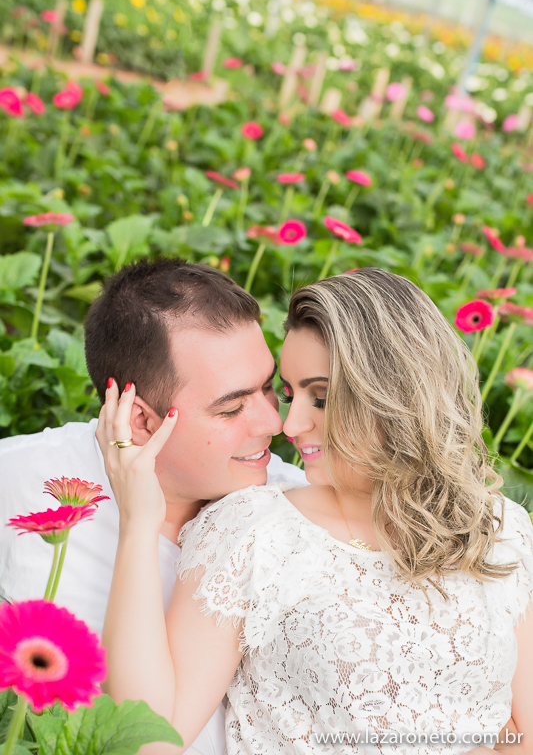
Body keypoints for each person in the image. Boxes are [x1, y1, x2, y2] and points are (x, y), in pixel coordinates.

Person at [100, 267, 533, 754]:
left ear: (396, 396)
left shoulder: (498, 528)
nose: (289, 423)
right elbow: (147, 741)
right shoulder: (251, 530)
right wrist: (137, 524)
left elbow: (523, 730)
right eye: (289, 393)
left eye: (320, 397)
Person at [0, 258, 306, 755]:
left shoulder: (297, 507)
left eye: (269, 387)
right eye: (231, 408)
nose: (273, 422)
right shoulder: (21, 479)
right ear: (139, 419)